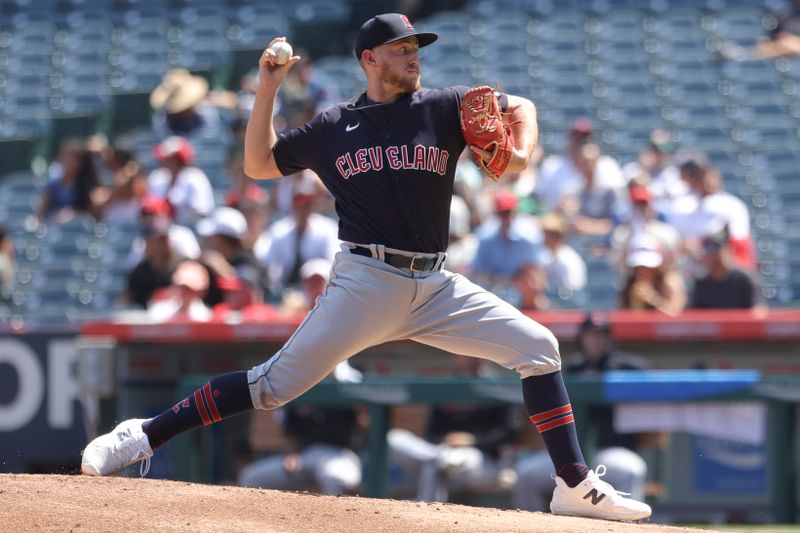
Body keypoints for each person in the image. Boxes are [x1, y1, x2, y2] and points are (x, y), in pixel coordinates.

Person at [81, 13, 650, 522]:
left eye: (416, 47)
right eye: (402, 49)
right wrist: (269, 88)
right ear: (369, 59)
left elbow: (520, 105)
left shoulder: (444, 106)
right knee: (272, 387)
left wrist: (520, 146)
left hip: (436, 283)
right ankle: (142, 436)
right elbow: (257, 163)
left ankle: (572, 485)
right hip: (366, 280)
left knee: (540, 348)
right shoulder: (333, 127)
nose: (413, 55)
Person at [513, 313, 650, 512]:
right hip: (569, 456)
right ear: (581, 339)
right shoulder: (571, 369)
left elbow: (650, 376)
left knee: (632, 469)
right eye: (592, 335)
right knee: (526, 474)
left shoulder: (626, 367)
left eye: (602, 335)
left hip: (608, 451)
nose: (597, 340)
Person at [387, 357, 522, 503]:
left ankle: (428, 510)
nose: (470, 358)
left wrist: (472, 441)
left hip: (481, 459)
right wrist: (446, 439)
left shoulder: (498, 385)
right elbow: (431, 432)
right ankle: (440, 461)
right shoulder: (448, 385)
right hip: (442, 451)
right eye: (464, 354)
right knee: (394, 438)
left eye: (475, 353)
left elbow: (510, 430)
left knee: (445, 461)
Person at [690, 229, 765, 311]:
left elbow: (758, 313)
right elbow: (695, 318)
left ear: (728, 249)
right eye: (707, 248)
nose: (711, 254)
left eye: (714, 247)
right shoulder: (701, 284)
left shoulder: (745, 280)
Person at [146, 136, 215, 225]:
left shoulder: (195, 177)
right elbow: (149, 208)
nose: (165, 162)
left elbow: (202, 212)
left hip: (190, 230)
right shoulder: (157, 177)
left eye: (171, 159)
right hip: (161, 231)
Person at [619, 234, 687, 316]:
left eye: (648, 267)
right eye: (638, 267)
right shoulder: (629, 284)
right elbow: (622, 316)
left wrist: (653, 298)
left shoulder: (669, 281)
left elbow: (677, 315)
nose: (642, 271)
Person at [38, 138, 101, 223]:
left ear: (80, 162)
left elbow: (94, 214)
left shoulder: (89, 188)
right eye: (64, 157)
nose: (66, 161)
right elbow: (40, 213)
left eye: (71, 158)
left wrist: (73, 215)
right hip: (53, 230)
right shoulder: (52, 186)